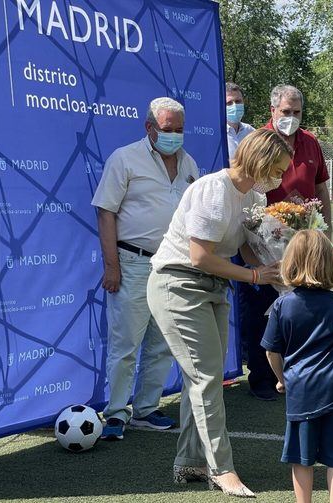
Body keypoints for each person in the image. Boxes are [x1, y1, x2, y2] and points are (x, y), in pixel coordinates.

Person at [146, 128, 288, 498]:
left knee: (201, 380)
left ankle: (188, 463)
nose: (280, 178)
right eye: (277, 169)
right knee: (208, 378)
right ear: (259, 160)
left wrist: (286, 283)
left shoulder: (252, 195)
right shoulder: (214, 189)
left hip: (213, 289)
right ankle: (222, 470)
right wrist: (255, 275)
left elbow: (253, 248)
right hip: (178, 285)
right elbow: (200, 256)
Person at [91, 97, 199, 440]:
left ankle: (147, 409)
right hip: (133, 262)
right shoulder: (124, 159)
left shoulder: (189, 164)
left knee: (164, 341)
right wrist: (112, 266)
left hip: (172, 264)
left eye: (180, 130)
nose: (175, 136)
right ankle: (116, 414)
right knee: (125, 344)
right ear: (149, 127)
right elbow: (105, 211)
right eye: (168, 130)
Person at [238, 84, 332, 401]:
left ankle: (298, 373)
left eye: (297, 113)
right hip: (261, 244)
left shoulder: (310, 143)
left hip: (303, 243)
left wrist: (325, 231)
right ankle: (262, 377)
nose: (291, 118)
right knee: (261, 310)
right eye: (285, 112)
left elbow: (320, 190)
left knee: (302, 308)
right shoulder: (257, 141)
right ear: (273, 111)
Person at [262, 230, 333, 503]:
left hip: (300, 390)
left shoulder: (283, 305)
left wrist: (282, 378)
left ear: (290, 262)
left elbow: (272, 351)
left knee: (301, 458)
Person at [226, 82, 255, 161]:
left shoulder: (251, 132)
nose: (235, 106)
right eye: (229, 103)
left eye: (238, 101)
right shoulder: (216, 133)